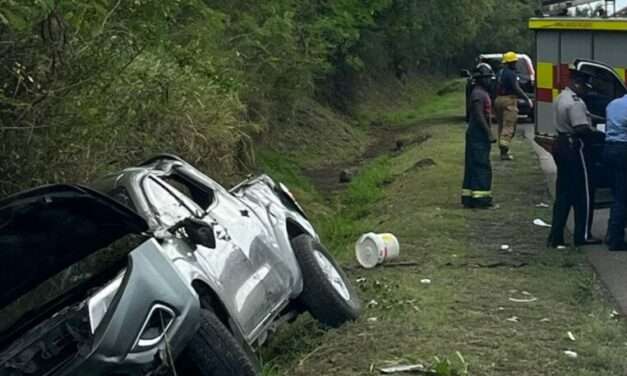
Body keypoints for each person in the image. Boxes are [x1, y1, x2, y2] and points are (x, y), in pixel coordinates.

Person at [547, 66, 602, 248]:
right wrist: (597, 131)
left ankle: (556, 237)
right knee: (583, 194)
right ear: (578, 84)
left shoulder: (562, 97)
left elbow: (583, 116)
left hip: (561, 144)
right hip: (574, 148)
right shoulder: (576, 102)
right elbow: (581, 127)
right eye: (585, 87)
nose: (587, 91)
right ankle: (583, 235)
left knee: (563, 194)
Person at [462, 64, 497, 209]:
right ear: (480, 79)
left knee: (473, 166)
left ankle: (470, 198)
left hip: (476, 134)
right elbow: (478, 114)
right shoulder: (478, 94)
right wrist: (489, 133)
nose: (490, 81)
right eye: (487, 78)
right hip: (478, 135)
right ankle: (482, 200)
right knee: (481, 166)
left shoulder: (480, 92)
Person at [494, 51, 533, 161]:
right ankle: (504, 145)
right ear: (511, 63)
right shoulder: (511, 74)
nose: (515, 64)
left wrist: (494, 101)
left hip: (498, 100)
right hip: (509, 100)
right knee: (509, 125)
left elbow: (493, 87)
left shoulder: (499, 73)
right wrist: (527, 99)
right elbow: (516, 88)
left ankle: (503, 153)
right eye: (514, 62)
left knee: (501, 127)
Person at [603, 92, 627, 250]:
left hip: (609, 149)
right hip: (623, 150)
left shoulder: (612, 104)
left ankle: (611, 233)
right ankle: (616, 239)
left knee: (617, 194)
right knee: (622, 197)